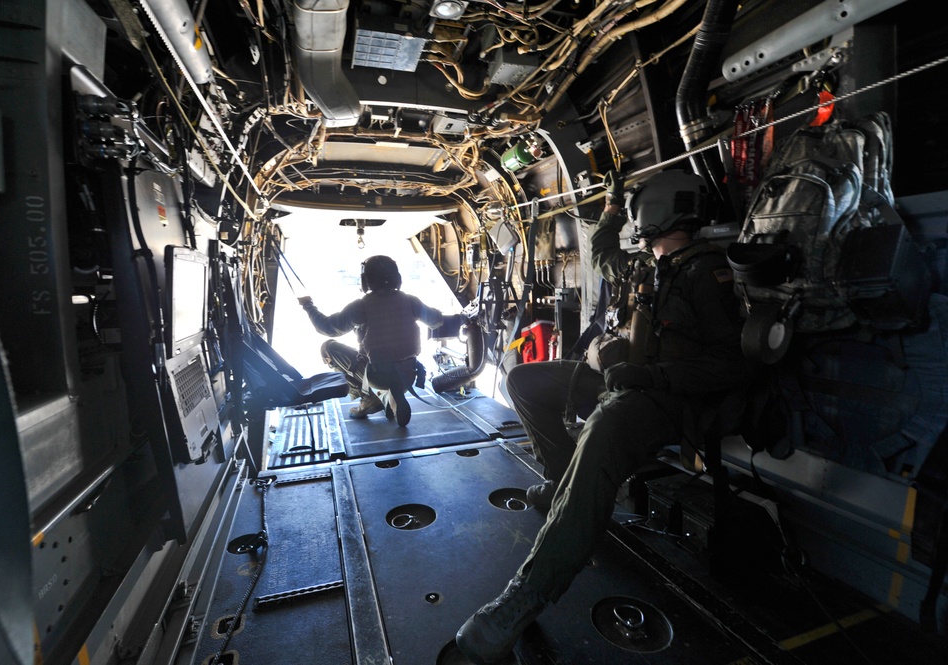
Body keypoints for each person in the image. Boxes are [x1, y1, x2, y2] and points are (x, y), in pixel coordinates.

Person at [455, 169, 754, 663]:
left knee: (601, 429)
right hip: (629, 378)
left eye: (637, 210)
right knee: (523, 381)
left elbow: (733, 363)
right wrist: (611, 208)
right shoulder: (649, 266)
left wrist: (652, 379)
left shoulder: (706, 274)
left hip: (671, 398)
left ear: (655, 213)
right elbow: (602, 253)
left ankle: (528, 594)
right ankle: (560, 483)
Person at [297, 254, 453, 427]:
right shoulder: (410, 301)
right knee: (388, 367)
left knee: (328, 348)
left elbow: (327, 328)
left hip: (378, 375)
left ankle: (368, 398)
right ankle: (390, 397)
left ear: (366, 282)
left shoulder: (362, 306)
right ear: (397, 279)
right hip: (408, 375)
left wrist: (308, 305)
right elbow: (437, 320)